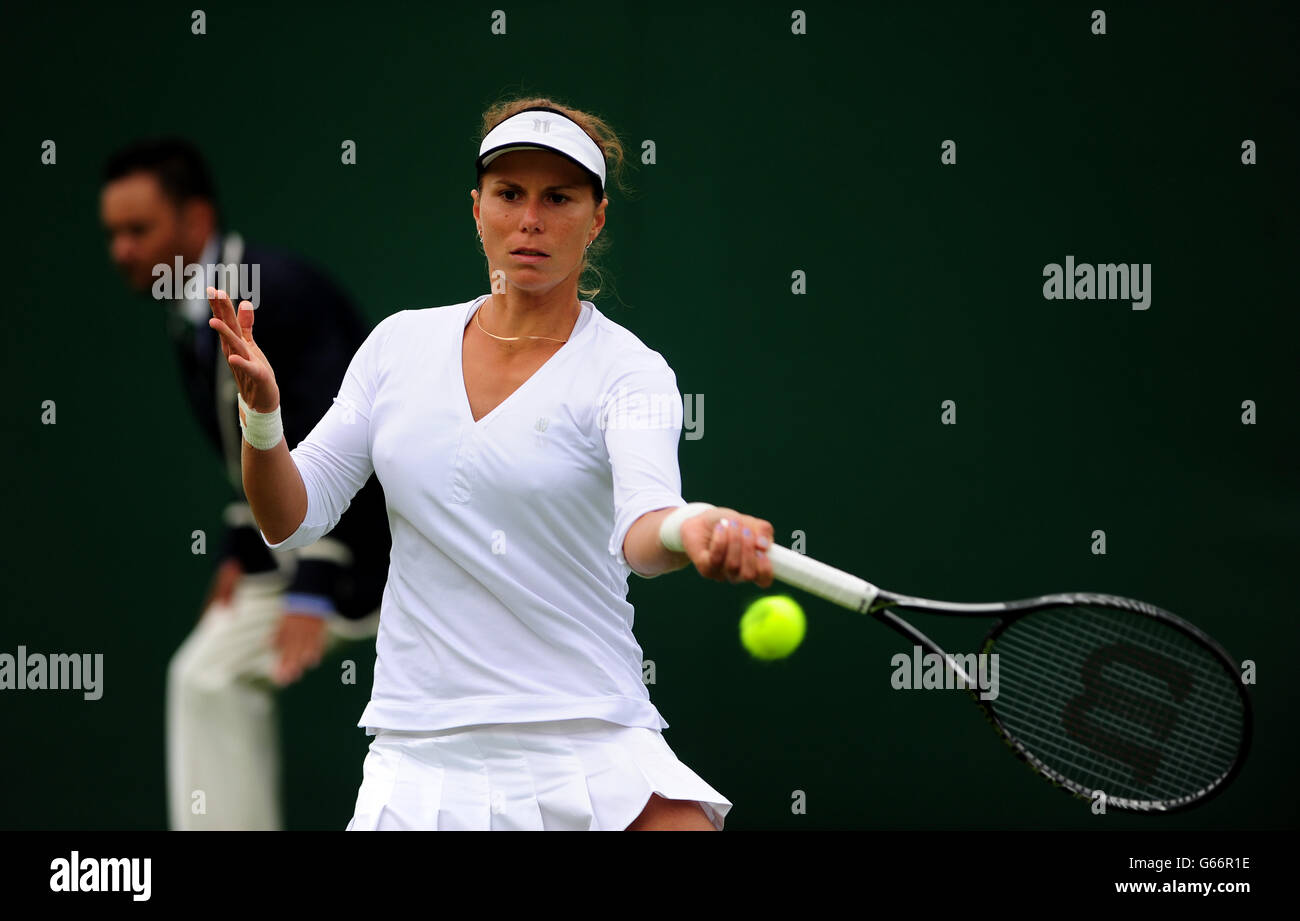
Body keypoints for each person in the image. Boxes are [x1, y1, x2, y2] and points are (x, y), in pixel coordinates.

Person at [204, 98, 775, 830]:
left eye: (558, 197)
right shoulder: (396, 347)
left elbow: (644, 528)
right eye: (509, 194)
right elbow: (289, 516)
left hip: (589, 734)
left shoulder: (631, 373)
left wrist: (694, 526)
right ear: (478, 209)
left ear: (595, 219)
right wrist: (262, 417)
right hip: (421, 754)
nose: (530, 219)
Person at [99, 138, 392, 830]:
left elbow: (348, 443)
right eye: (113, 233)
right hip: (292, 546)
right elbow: (248, 453)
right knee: (203, 675)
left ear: (196, 223)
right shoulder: (187, 309)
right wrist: (241, 550)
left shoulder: (281, 291)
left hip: (381, 553)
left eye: (138, 230)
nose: (121, 250)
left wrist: (316, 584)